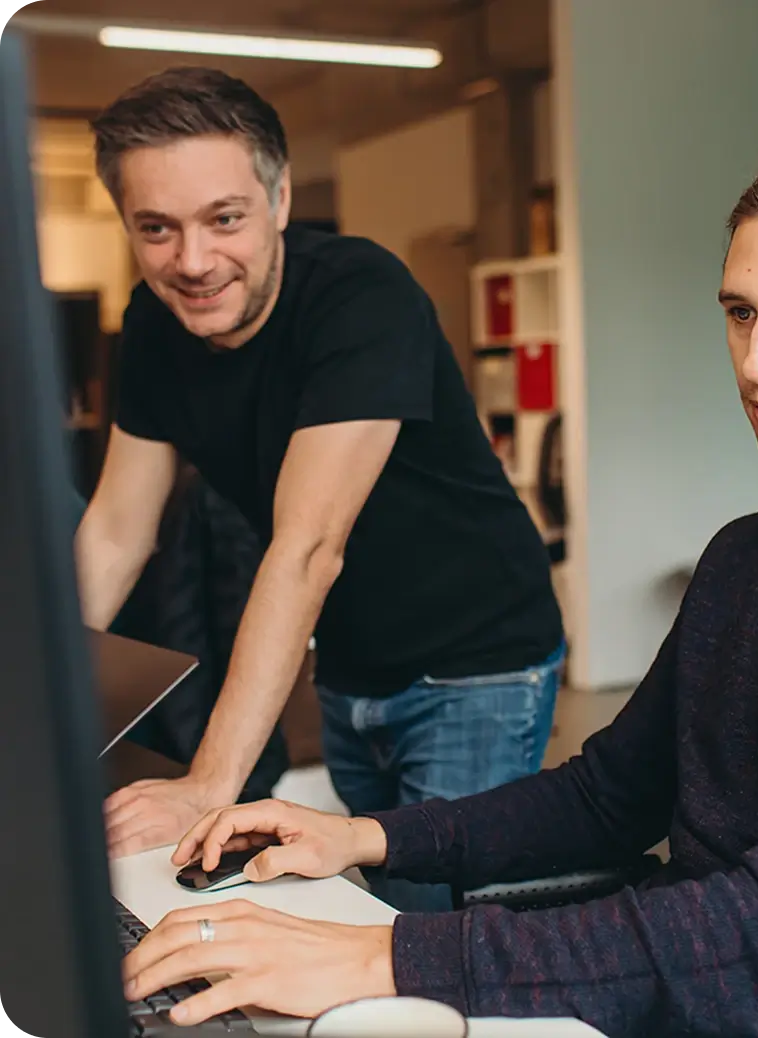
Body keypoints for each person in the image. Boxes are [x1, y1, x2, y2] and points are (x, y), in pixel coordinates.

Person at [122, 140, 758, 1037]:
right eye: (741, 312)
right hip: (671, 1002)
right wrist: (363, 836)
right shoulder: (746, 558)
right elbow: (606, 798)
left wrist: (380, 956)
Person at [77, 66, 564, 912]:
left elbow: (306, 549)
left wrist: (208, 785)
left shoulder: (360, 297)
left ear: (279, 199)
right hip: (346, 664)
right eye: (156, 228)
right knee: (368, 899)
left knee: (421, 924)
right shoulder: (155, 324)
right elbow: (117, 531)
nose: (193, 261)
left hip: (474, 663)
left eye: (224, 218)